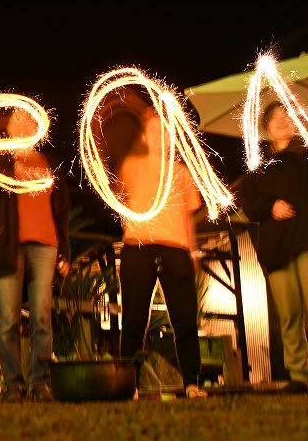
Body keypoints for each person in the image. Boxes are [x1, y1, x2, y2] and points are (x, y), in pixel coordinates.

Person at [240, 100, 308, 394]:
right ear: (266, 128)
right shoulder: (258, 170)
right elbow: (250, 203)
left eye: (288, 116)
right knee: (289, 314)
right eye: (275, 117)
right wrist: (271, 205)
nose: (282, 120)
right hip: (278, 249)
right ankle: (298, 376)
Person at [0, 108, 71, 402]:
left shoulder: (49, 163)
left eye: (28, 120)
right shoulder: (2, 162)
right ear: (9, 129)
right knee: (9, 320)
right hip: (10, 247)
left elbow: (62, 211)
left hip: (46, 245)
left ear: (38, 127)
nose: (23, 124)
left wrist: (65, 251)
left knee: (42, 317)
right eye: (17, 120)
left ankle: (40, 383)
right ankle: (13, 385)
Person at [115, 107, 207, 398]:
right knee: (133, 320)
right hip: (138, 248)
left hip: (175, 250)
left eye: (165, 132)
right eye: (154, 131)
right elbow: (121, 206)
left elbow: (187, 217)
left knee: (184, 321)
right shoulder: (130, 165)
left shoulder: (182, 173)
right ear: (144, 135)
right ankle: (130, 385)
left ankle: (192, 383)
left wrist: (192, 252)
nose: (159, 137)